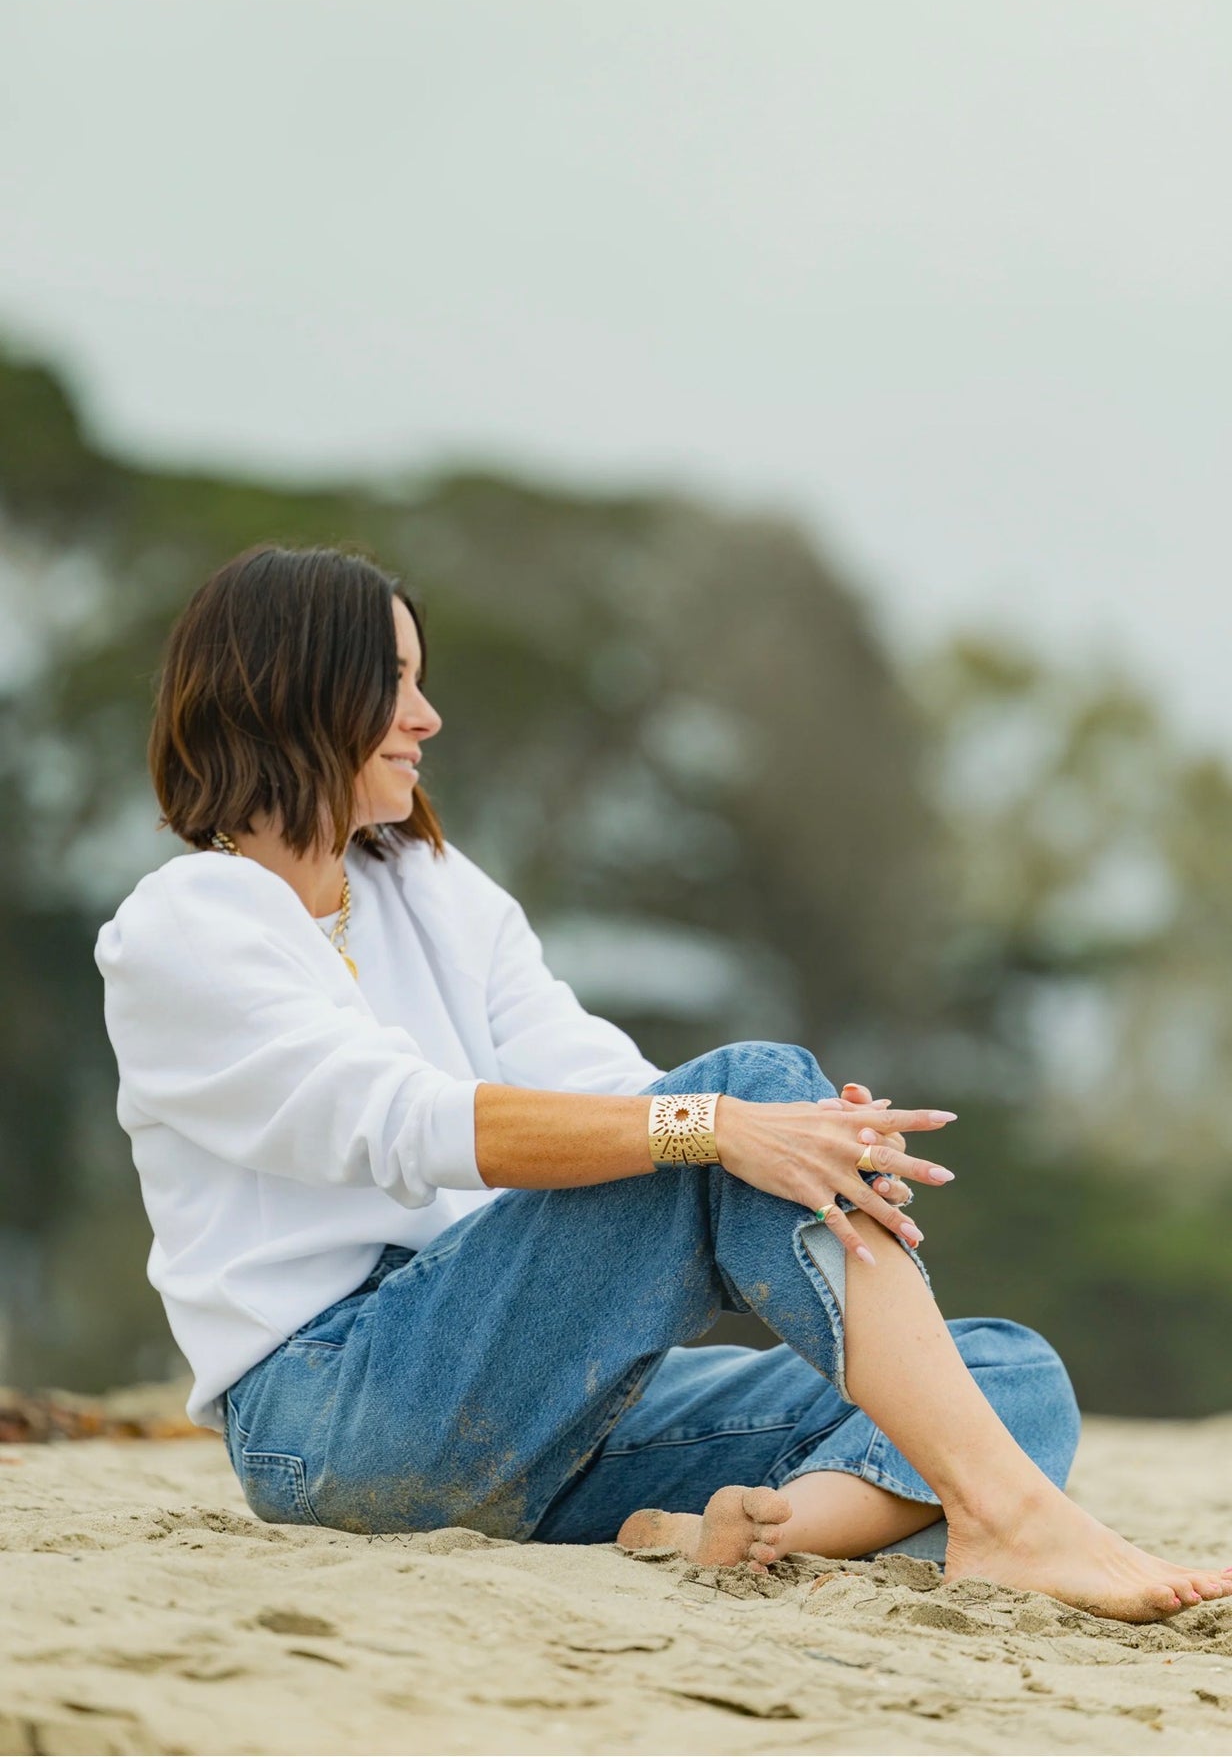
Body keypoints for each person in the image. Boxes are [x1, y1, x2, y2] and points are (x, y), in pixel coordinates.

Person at [94, 543, 1229, 1624]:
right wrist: (727, 1124)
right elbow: (406, 1125)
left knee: (1006, 1369)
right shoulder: (189, 924)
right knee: (736, 1101)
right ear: (294, 689)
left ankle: (749, 1536)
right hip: (335, 1416)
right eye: (392, 682)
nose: (426, 717)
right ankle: (1011, 1516)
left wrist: (780, 1139)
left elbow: (606, 1082)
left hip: (532, 1410)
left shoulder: (429, 886)